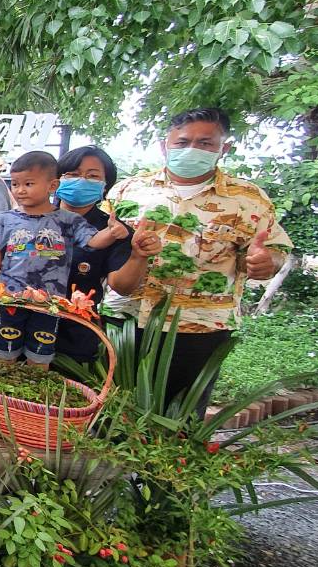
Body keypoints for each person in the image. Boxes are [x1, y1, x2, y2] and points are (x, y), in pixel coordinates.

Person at [106, 107, 291, 408]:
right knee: (113, 411)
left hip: (198, 326)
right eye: (182, 142)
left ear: (224, 148)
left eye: (205, 143)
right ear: (164, 145)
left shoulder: (249, 199)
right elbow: (101, 249)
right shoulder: (127, 191)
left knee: (180, 416)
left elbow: (275, 250)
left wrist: (269, 261)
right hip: (124, 319)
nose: (192, 149)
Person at [0, 151, 128, 365]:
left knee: (40, 352)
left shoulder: (69, 220)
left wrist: (112, 233)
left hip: (50, 302)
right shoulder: (4, 220)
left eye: (29, 184)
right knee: (5, 351)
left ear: (52, 186)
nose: (20, 190)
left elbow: (93, 241)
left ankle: (32, 390)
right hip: (11, 298)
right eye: (15, 184)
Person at [52, 146, 162, 365]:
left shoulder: (114, 232)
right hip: (22, 324)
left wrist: (138, 256)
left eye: (92, 176)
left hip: (75, 334)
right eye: (72, 174)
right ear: (56, 181)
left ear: (105, 187)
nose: (81, 180)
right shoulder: (31, 218)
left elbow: (122, 286)